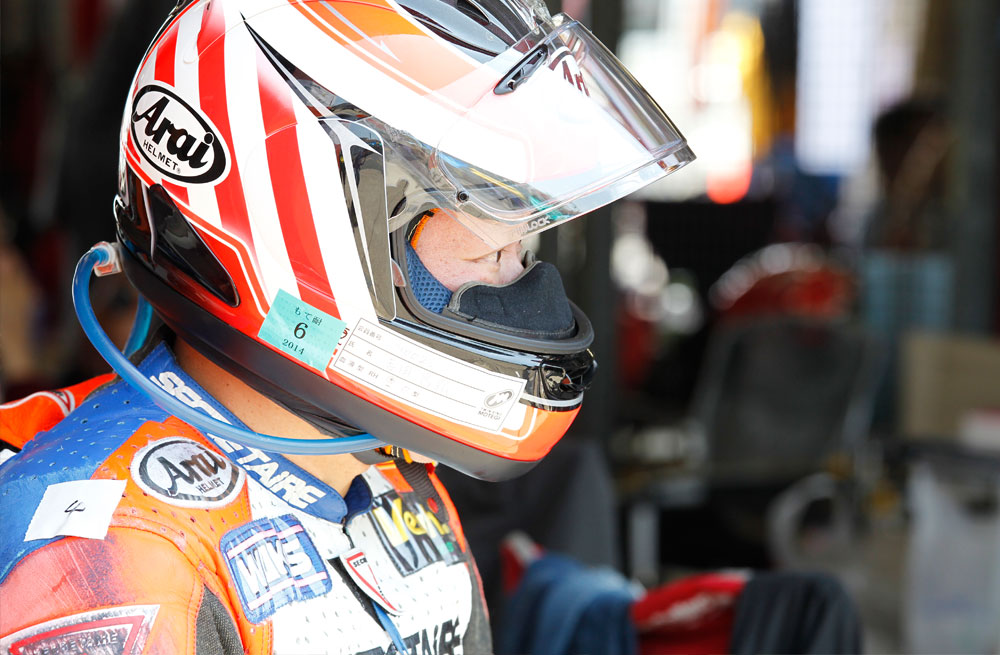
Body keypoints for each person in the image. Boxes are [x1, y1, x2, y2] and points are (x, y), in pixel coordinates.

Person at [0, 0, 693, 653]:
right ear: (315, 231)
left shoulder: (395, 480)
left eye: (521, 249)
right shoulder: (116, 554)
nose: (526, 286)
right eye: (492, 250)